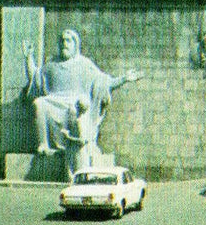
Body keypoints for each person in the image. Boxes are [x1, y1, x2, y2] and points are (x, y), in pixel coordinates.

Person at [23, 28, 141, 156]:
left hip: (74, 104)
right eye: (62, 41)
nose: (64, 44)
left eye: (68, 41)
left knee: (81, 104)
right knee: (39, 103)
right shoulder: (51, 64)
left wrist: (123, 79)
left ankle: (77, 144)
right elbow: (35, 79)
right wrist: (29, 58)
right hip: (53, 102)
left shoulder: (84, 64)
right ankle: (43, 144)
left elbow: (103, 82)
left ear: (75, 44)